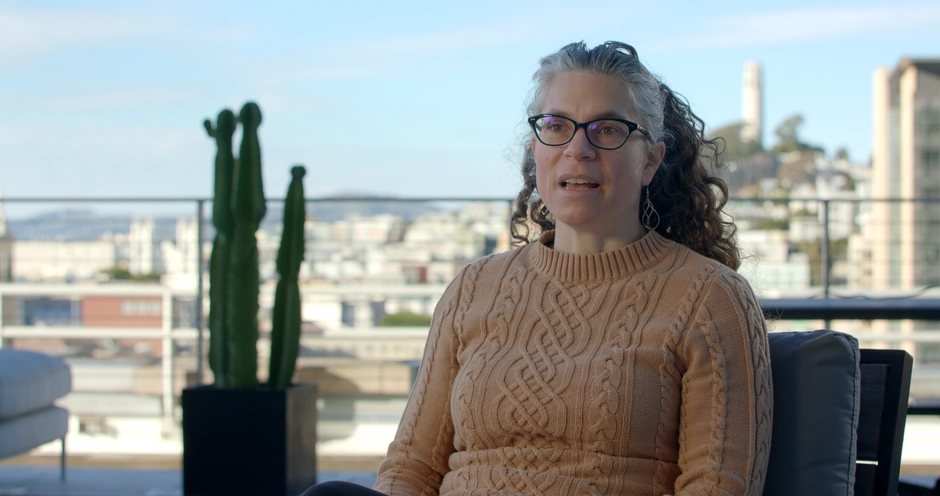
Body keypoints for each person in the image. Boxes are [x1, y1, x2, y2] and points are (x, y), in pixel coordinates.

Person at [303, 41, 772, 496]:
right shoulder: (473, 289)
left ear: (650, 158)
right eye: (557, 125)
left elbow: (717, 483)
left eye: (607, 129)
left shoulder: (710, 299)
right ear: (536, 147)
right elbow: (412, 466)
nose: (578, 149)